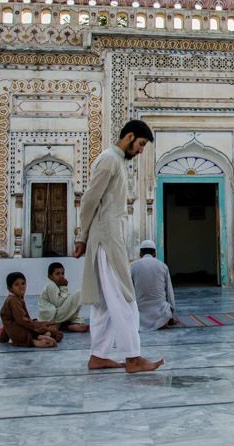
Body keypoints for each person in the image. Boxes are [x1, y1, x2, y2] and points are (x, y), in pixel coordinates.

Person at [74, 119, 164, 373]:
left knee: (104, 302)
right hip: (107, 239)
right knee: (125, 298)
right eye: (141, 144)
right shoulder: (109, 160)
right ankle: (133, 357)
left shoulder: (117, 162)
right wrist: (82, 237)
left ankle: (98, 355)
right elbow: (90, 199)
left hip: (108, 236)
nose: (141, 150)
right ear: (130, 137)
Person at [0, 271, 63, 347]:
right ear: (10, 288)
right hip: (20, 333)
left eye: (23, 283)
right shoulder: (13, 300)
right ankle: (37, 340)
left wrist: (3, 339)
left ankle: (43, 335)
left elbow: (6, 323)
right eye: (16, 285)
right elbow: (21, 320)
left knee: (51, 325)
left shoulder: (16, 299)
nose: (21, 286)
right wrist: (38, 328)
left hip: (19, 329)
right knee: (49, 329)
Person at [130, 239, 176, 330]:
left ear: (140, 254)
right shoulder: (163, 266)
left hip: (140, 316)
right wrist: (171, 314)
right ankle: (163, 321)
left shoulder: (132, 266)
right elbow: (170, 294)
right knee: (164, 307)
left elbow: (129, 292)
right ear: (155, 253)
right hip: (161, 315)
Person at [38, 262, 89, 332]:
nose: (61, 276)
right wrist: (64, 287)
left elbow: (65, 303)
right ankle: (64, 325)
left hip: (55, 316)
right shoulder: (50, 285)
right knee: (78, 293)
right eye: (57, 274)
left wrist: (63, 288)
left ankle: (68, 324)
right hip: (51, 317)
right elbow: (59, 303)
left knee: (76, 301)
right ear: (50, 277)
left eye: (62, 273)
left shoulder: (58, 286)